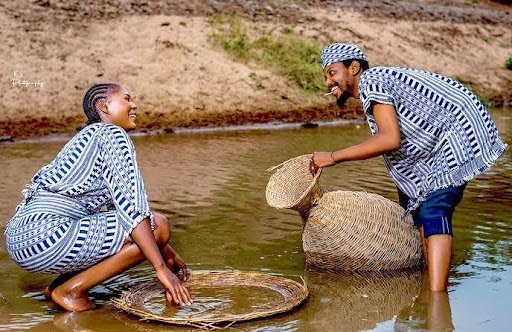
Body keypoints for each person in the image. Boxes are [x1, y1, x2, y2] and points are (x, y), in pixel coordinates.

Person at [310, 43, 507, 291]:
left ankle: (437, 303)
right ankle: (429, 284)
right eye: (325, 76)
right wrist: (409, 202)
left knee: (435, 207)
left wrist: (333, 156)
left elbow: (389, 139)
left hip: (457, 130)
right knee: (421, 207)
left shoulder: (371, 82)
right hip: (439, 135)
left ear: (354, 68)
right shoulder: (374, 87)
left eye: (332, 73)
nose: (328, 82)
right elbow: (399, 151)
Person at [4, 83, 193, 311]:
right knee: (159, 224)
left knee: (150, 229)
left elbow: (118, 209)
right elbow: (133, 210)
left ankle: (57, 287)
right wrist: (161, 269)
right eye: (126, 99)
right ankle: (70, 291)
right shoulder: (111, 133)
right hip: (47, 234)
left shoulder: (89, 136)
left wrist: (166, 250)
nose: (134, 105)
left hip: (23, 240)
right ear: (104, 106)